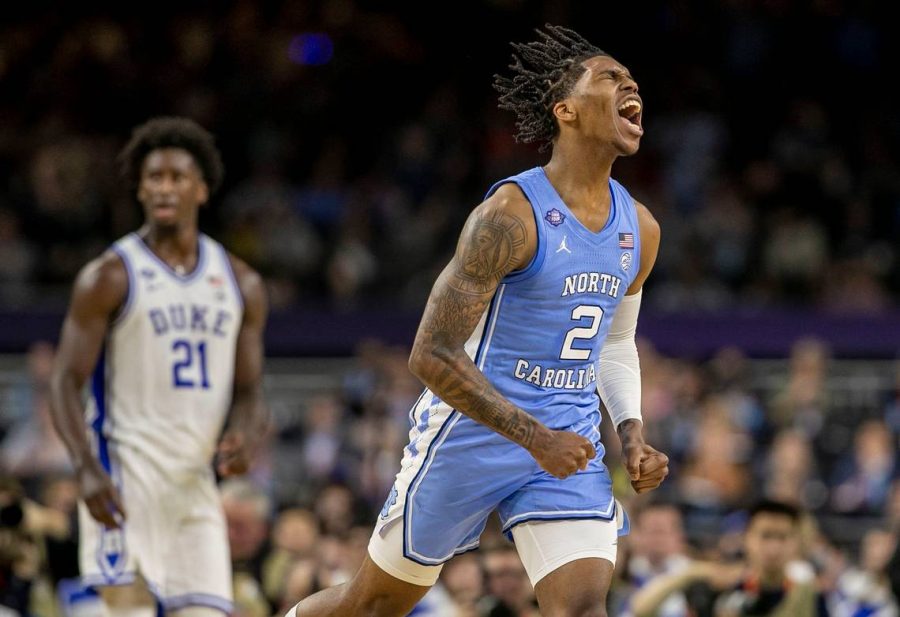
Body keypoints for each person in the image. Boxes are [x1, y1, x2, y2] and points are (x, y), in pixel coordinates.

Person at [287, 24, 668, 617]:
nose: (631, 85)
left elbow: (615, 342)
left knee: (582, 607)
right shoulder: (509, 215)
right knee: (372, 605)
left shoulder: (640, 228)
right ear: (565, 109)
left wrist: (631, 432)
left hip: (568, 439)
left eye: (632, 79)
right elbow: (430, 353)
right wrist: (533, 438)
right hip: (471, 436)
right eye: (610, 76)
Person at [49, 117, 268, 617]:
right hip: (124, 479)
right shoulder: (109, 276)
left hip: (195, 486)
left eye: (177, 177)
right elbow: (63, 380)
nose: (165, 187)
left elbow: (251, 391)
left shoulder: (242, 283)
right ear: (140, 189)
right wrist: (84, 467)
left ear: (202, 189)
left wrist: (246, 435)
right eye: (154, 177)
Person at [630, 500, 827, 617]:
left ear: (795, 543)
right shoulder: (723, 586)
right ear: (747, 539)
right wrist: (692, 573)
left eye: (782, 537)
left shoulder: (806, 593)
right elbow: (641, 609)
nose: (773, 547)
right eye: (766, 536)